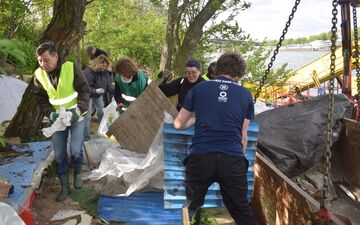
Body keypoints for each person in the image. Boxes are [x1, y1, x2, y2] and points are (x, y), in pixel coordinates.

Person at [173, 52, 256, 225]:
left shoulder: (198, 88)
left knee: (192, 207)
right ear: (239, 73)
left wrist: (197, 117)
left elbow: (178, 124)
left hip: (201, 157)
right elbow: (243, 136)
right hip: (232, 159)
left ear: (217, 69)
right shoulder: (246, 95)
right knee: (241, 209)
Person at [33, 42, 90, 201]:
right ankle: (65, 187)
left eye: (46, 60)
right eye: (39, 61)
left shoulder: (71, 68)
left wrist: (78, 110)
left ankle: (78, 173)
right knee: (59, 155)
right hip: (57, 119)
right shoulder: (38, 75)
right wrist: (50, 114)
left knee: (75, 150)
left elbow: (85, 90)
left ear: (55, 56)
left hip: (76, 116)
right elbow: (41, 99)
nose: (43, 64)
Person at [83, 55, 114, 141]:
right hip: (87, 95)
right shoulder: (89, 72)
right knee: (88, 116)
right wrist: (95, 91)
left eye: (105, 66)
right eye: (102, 65)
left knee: (102, 112)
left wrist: (116, 92)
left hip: (97, 95)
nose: (104, 67)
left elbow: (108, 86)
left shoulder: (106, 72)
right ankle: (85, 137)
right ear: (97, 63)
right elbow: (86, 88)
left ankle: (102, 132)